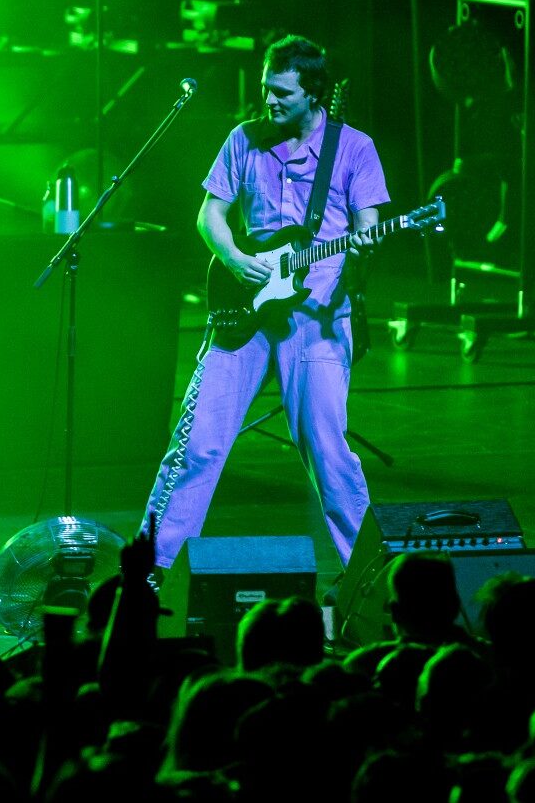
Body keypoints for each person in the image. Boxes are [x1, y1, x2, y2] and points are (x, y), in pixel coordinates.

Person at [140, 35, 389, 571]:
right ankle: (150, 571)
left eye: (282, 93)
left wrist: (364, 245)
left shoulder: (354, 148)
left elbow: (367, 225)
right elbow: (210, 214)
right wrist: (233, 258)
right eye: (265, 89)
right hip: (244, 308)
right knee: (197, 443)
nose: (269, 101)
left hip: (315, 317)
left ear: (314, 92)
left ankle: (368, 578)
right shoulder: (244, 138)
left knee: (327, 451)